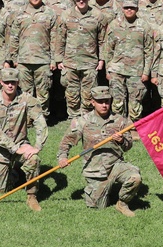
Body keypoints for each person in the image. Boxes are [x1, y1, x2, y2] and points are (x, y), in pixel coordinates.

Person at [58, 86, 142, 216]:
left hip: (116, 165)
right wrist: (63, 157)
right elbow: (66, 141)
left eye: (107, 101)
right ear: (93, 102)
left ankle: (122, 203)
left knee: (135, 177)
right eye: (100, 101)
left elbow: (128, 145)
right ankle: (101, 190)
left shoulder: (120, 120)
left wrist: (121, 141)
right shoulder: (82, 121)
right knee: (97, 207)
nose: (104, 105)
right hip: (95, 170)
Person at [0, 69, 48, 212]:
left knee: (34, 159)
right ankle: (15, 173)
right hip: (1, 149)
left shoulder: (27, 99)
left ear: (17, 83)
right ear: (1, 83)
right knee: (1, 189)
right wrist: (14, 149)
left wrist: (37, 146)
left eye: (13, 82)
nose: (10, 85)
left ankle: (32, 196)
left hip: (21, 143)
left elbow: (40, 122)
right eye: (6, 82)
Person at [54, 0, 106, 119]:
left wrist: (102, 59)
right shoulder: (66, 15)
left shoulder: (97, 15)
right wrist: (59, 59)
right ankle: (73, 117)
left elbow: (102, 40)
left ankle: (87, 118)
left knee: (88, 93)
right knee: (71, 93)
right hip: (70, 62)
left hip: (90, 62)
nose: (81, 1)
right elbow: (60, 38)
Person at [102, 0, 154, 120]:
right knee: (117, 100)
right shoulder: (114, 25)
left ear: (136, 9)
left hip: (137, 71)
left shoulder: (144, 26)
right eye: (126, 8)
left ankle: (133, 127)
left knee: (135, 102)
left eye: (132, 8)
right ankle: (118, 124)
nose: (129, 10)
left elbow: (149, 51)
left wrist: (146, 72)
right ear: (122, 9)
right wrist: (108, 70)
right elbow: (108, 49)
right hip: (117, 70)